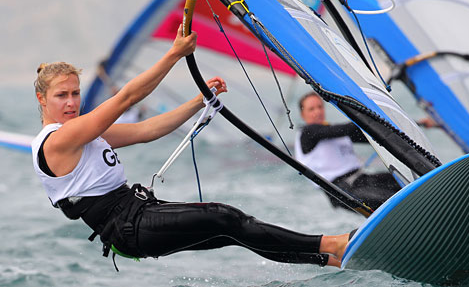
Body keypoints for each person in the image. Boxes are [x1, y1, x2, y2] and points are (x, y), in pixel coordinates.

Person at [31, 24, 351, 270]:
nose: (72, 102)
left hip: (138, 215)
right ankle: (331, 243)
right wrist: (174, 54)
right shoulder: (58, 141)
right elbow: (126, 99)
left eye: (75, 93)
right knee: (225, 218)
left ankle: (328, 261)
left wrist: (199, 101)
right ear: (42, 99)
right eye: (62, 96)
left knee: (229, 231)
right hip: (130, 227)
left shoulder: (78, 135)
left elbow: (146, 129)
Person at [295, 92, 401, 210]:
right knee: (392, 200)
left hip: (362, 180)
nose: (317, 112)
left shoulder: (333, 132)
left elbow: (372, 136)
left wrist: (412, 125)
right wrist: (367, 112)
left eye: (320, 107)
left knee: (401, 181)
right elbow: (347, 128)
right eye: (311, 109)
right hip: (342, 192)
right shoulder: (308, 133)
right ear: (303, 115)